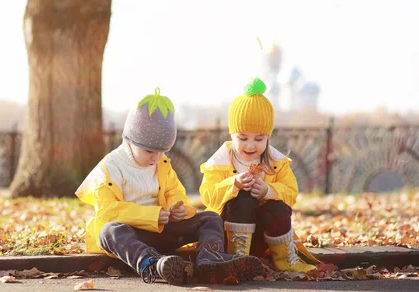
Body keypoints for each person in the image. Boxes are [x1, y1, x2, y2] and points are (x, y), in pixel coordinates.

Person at [76, 87, 263, 285]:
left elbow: (174, 192)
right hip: (132, 238)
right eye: (149, 151)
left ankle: (210, 260)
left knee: (210, 218)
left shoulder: (161, 163)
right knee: (108, 231)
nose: (156, 157)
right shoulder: (110, 167)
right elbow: (108, 212)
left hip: (164, 230)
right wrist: (153, 215)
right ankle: (153, 264)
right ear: (130, 140)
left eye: (162, 151)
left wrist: (178, 208)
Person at [199, 78, 320, 273]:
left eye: (259, 138)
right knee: (243, 198)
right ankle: (238, 258)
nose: (250, 145)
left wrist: (268, 191)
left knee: (278, 206)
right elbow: (208, 195)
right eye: (243, 138)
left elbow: (291, 194)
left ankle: (284, 260)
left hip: (264, 235)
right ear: (232, 135)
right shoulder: (220, 162)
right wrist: (234, 184)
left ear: (268, 137)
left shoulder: (275, 163)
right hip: (228, 233)